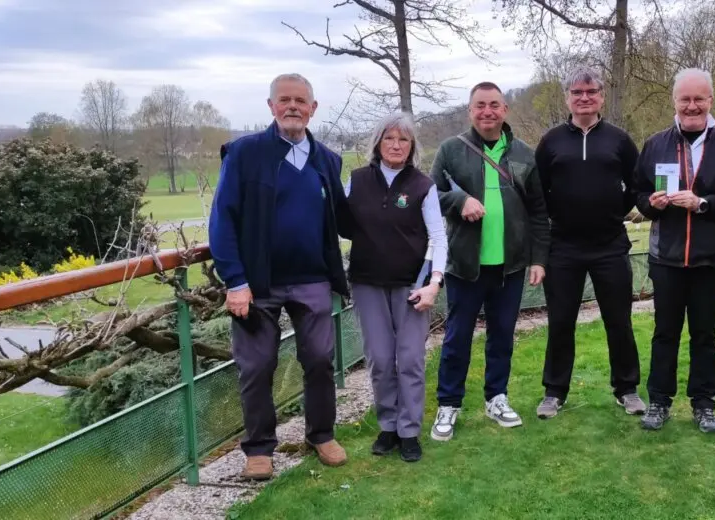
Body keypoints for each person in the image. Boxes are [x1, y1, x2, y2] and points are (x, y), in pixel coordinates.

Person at [209, 73, 352, 480]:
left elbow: (346, 220)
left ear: (313, 108)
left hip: (313, 279)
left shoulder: (327, 160)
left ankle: (321, 435)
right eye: (284, 100)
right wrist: (235, 281)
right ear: (271, 106)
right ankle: (258, 449)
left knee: (320, 360)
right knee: (256, 366)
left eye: (300, 101)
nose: (292, 107)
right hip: (257, 284)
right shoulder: (244, 154)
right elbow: (222, 220)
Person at [633, 68, 715, 433]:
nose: (691, 106)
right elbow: (638, 194)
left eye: (698, 99)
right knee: (665, 333)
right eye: (684, 99)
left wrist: (703, 203)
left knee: (704, 335)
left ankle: (704, 405)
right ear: (674, 101)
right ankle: (659, 401)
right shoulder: (655, 144)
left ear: (710, 101)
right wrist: (652, 203)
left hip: (709, 259)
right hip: (666, 258)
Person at [428, 81, 550, 441]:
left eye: (494, 105)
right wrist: (459, 201)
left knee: (502, 337)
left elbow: (539, 211)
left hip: (510, 266)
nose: (487, 111)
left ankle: (496, 397)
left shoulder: (524, 154)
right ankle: (449, 403)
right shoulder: (451, 150)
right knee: (457, 338)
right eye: (480, 105)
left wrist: (538, 259)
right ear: (470, 110)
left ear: (505, 110)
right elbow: (429, 196)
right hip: (465, 266)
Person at [533, 67, 645, 419]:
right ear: (567, 97)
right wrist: (558, 215)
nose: (584, 97)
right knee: (560, 322)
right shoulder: (551, 141)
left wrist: (613, 211)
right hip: (563, 247)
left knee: (619, 321)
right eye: (577, 92)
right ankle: (554, 392)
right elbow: (538, 191)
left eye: (591, 91)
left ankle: (627, 389)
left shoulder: (620, 140)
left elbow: (637, 185)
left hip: (610, 245)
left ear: (601, 96)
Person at [344, 112, 447, 463]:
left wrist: (434, 282)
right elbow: (336, 223)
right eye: (389, 138)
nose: (396, 145)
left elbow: (438, 238)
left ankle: (409, 430)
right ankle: (388, 425)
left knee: (410, 360)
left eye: (403, 139)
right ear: (377, 143)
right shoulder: (356, 181)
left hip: (412, 287)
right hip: (367, 284)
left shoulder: (422, 185)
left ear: (412, 145)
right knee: (380, 359)